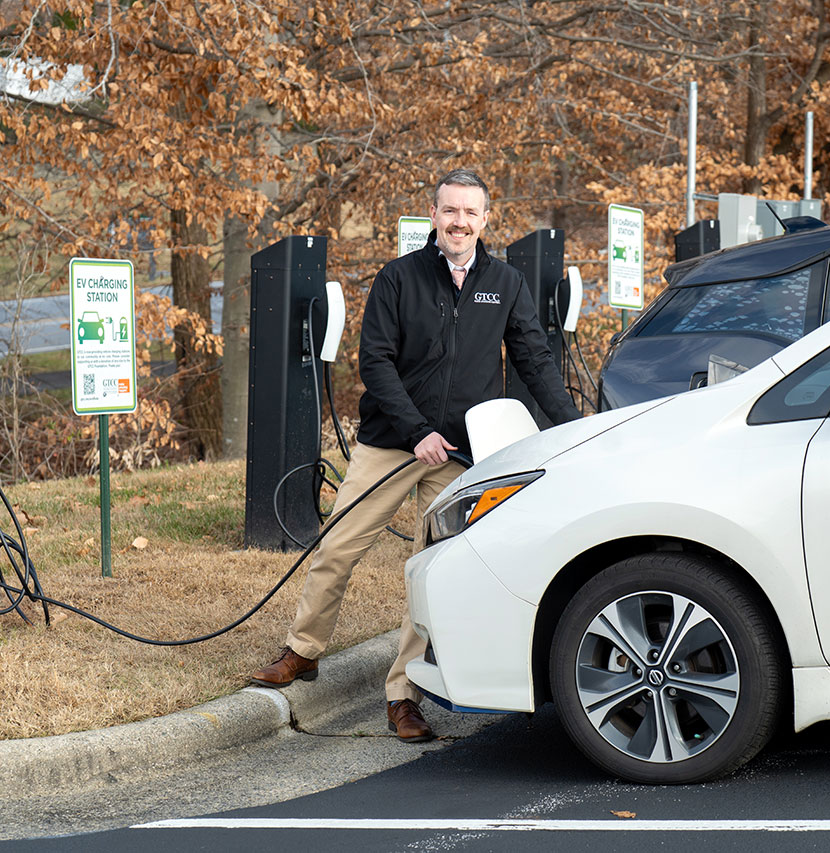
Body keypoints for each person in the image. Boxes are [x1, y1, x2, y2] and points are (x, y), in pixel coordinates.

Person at [248, 168, 581, 741]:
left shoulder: (504, 282)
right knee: (337, 547)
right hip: (393, 442)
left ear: (485, 219)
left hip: (458, 453)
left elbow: (535, 360)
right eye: (450, 211)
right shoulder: (398, 278)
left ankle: (402, 695)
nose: (459, 222)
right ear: (434, 215)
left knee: (433, 571)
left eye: (470, 213)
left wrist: (576, 429)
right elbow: (375, 363)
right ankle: (302, 651)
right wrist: (417, 429)